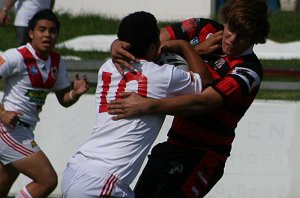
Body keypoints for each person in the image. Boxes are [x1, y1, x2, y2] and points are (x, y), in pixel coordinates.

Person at [108, 0, 270, 197]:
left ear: (256, 37)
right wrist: (119, 44)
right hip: (172, 143)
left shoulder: (249, 71)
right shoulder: (203, 27)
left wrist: (147, 106)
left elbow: (203, 102)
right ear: (225, 20)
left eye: (242, 36)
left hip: (205, 154)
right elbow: (149, 41)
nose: (231, 39)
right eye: (231, 29)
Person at [61, 11, 211, 198]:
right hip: (103, 181)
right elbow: (204, 81)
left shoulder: (106, 67)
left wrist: (116, 45)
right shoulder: (164, 76)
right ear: (152, 47)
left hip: (76, 168)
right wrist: (183, 45)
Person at [0, 9, 89, 198]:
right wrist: (1, 113)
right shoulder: (17, 56)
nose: (47, 35)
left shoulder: (57, 62)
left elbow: (64, 99)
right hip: (8, 130)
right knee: (47, 179)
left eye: (52, 31)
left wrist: (75, 93)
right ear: (31, 33)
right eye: (42, 30)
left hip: (24, 130)